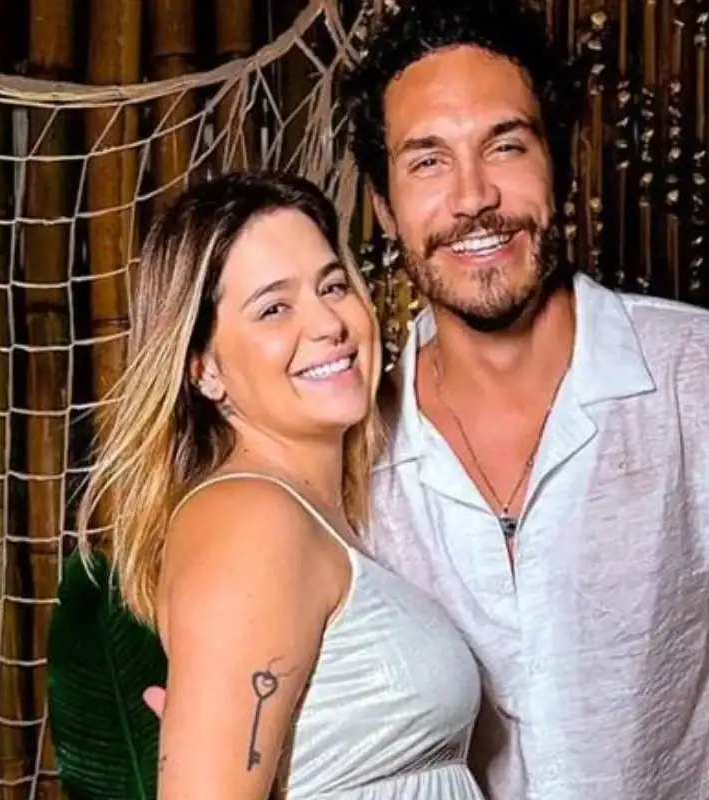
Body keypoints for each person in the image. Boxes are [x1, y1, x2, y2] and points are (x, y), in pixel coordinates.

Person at [146, 1, 709, 797]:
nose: (473, 197)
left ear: (559, 163)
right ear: (383, 205)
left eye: (504, 145)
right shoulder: (352, 456)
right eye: (427, 162)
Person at [75, 171, 488, 799]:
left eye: (332, 286)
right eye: (274, 307)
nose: (328, 324)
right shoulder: (249, 521)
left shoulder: (315, 513)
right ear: (204, 369)